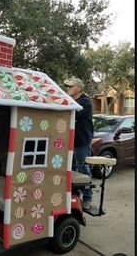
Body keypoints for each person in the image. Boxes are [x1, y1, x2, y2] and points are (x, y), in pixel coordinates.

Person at [64, 77, 93, 209]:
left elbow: (71, 114)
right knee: (71, 169)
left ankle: (88, 197)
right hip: (70, 141)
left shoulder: (85, 102)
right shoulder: (71, 100)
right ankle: (75, 194)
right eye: (67, 87)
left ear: (79, 88)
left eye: (70, 86)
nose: (68, 89)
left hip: (81, 141)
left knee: (83, 169)